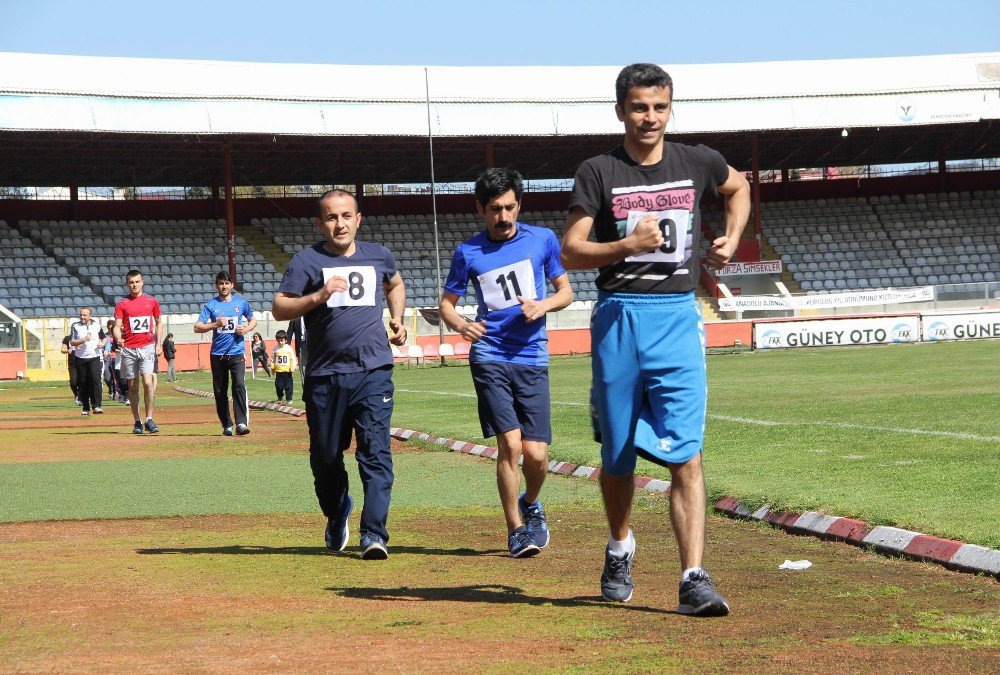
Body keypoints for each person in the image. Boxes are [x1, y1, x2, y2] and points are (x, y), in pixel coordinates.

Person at [560, 63, 750, 615]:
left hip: (676, 317)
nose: (650, 117)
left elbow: (738, 188)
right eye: (639, 107)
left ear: (671, 109)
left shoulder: (698, 161)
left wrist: (732, 237)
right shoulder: (598, 171)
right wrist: (625, 244)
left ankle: (694, 577)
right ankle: (620, 546)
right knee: (618, 454)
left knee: (685, 452)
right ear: (620, 110)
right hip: (619, 316)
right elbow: (571, 250)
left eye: (659, 107)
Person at [439, 168, 573, 558]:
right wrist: (463, 325)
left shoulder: (543, 240)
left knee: (537, 455)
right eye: (495, 208)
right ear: (481, 208)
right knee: (510, 445)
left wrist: (542, 304)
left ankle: (531, 502)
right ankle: (515, 529)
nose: (504, 216)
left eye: (510, 207)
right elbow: (447, 304)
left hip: (532, 356)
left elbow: (565, 292)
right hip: (490, 355)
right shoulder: (468, 252)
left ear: (519, 205)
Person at [272, 188, 407, 560]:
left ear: (358, 219)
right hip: (325, 376)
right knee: (326, 457)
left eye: (346, 216)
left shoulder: (379, 256)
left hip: (373, 371)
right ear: (320, 223)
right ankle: (338, 511)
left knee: (375, 453)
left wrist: (396, 318)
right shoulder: (306, 261)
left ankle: (374, 533)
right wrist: (318, 296)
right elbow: (280, 307)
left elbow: (395, 283)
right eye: (331, 217)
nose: (340, 223)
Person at [194, 271, 257, 436]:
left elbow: (253, 320)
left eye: (227, 283)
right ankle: (226, 424)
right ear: (217, 286)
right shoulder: (211, 305)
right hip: (218, 354)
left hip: (237, 352)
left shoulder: (241, 303)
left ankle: (242, 423)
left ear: (232, 285)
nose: (224, 286)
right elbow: (197, 327)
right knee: (220, 390)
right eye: (221, 283)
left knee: (239, 385)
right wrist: (214, 324)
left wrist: (245, 329)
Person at [113, 269, 164, 434]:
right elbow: (116, 326)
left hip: (147, 347)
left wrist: (158, 343)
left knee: (148, 383)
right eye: (131, 282)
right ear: (127, 284)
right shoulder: (122, 304)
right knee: (133, 386)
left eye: (137, 281)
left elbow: (158, 323)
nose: (134, 285)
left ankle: (149, 418)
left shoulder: (152, 302)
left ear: (142, 282)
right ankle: (137, 420)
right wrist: (118, 338)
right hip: (129, 349)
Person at [68, 307, 106, 416]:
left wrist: (102, 344)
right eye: (81, 315)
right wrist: (83, 340)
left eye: (84, 315)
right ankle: (85, 407)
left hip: (94, 357)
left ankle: (97, 405)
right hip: (80, 358)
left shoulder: (97, 326)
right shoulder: (75, 326)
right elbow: (72, 341)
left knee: (96, 380)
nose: (82, 317)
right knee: (83, 382)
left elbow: (104, 338)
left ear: (90, 316)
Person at [270, 329, 297, 403]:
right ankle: (280, 398)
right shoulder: (275, 349)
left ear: (285, 340)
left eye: (282, 340)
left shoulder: (289, 348)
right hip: (279, 371)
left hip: (287, 371)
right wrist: (272, 367)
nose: (280, 342)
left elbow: (293, 358)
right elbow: (273, 359)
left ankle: (289, 399)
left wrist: (292, 367)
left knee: (288, 386)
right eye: (278, 341)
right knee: (279, 386)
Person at [60, 334, 80, 405]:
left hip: (82, 362)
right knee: (73, 382)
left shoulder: (82, 337)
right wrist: (67, 350)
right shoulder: (68, 338)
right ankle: (76, 394)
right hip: (72, 363)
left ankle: (83, 397)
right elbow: (62, 350)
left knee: (83, 381)